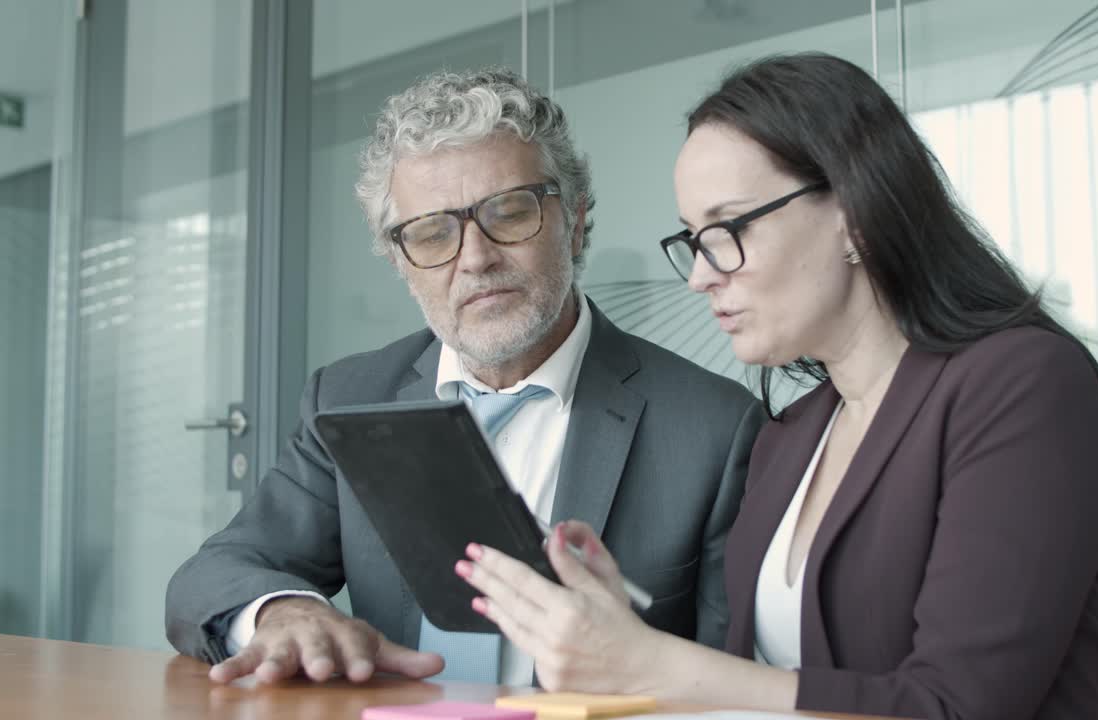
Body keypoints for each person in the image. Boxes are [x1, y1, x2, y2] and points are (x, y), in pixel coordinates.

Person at [456, 53, 1098, 719]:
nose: (701, 275)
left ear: (855, 214)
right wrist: (623, 629)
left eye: (727, 230)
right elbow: (755, 684)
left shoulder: (1024, 386)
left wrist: (654, 664)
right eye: (693, 239)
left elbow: (958, 706)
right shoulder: (791, 437)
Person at [163, 67, 762, 688]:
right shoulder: (348, 399)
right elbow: (216, 573)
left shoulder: (714, 427)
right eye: (432, 233)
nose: (475, 259)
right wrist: (282, 612)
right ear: (400, 261)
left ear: (576, 219)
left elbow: (730, 677)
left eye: (509, 213)